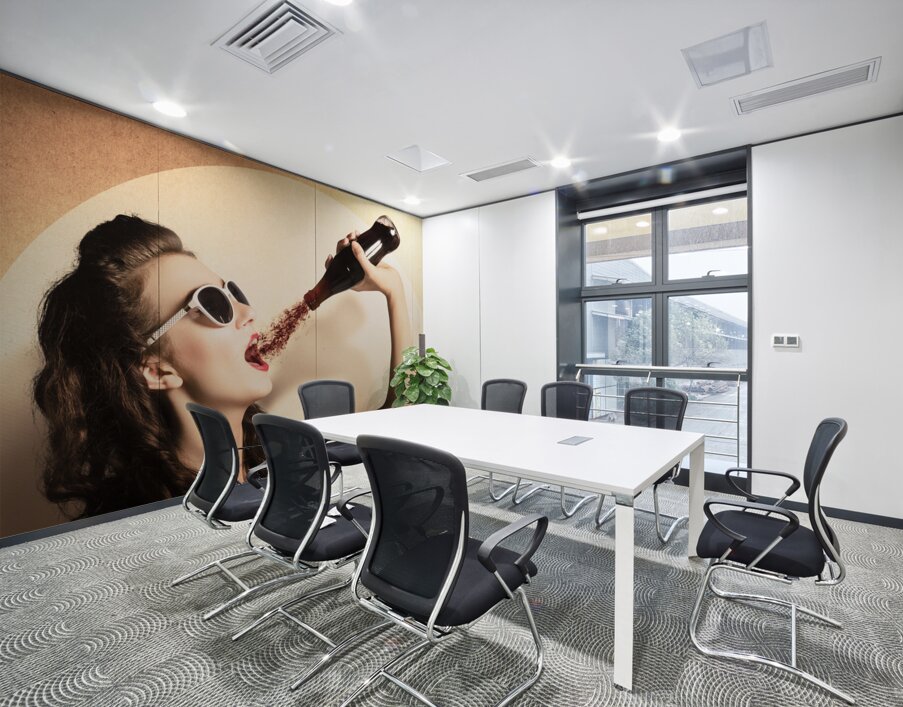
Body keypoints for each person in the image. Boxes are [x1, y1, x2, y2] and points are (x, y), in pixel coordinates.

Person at [33, 214, 410, 519]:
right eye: (213, 304)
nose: (248, 314)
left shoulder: (274, 457)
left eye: (233, 292)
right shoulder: (148, 522)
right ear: (155, 369)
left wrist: (394, 293)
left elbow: (397, 431)